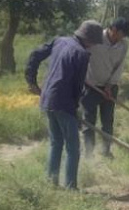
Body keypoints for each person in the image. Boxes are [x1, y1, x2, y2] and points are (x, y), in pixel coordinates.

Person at [25, 20, 104, 190]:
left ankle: (51, 183)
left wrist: (31, 80)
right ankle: (70, 187)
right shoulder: (82, 54)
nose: (93, 46)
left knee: (56, 142)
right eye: (94, 43)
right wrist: (75, 111)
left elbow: (35, 55)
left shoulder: (59, 41)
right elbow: (77, 87)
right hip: (63, 102)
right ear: (89, 39)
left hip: (47, 98)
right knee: (73, 148)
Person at [81, 18, 129, 158]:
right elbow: (82, 57)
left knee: (107, 121)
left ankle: (106, 151)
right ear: (114, 30)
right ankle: (89, 154)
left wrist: (109, 86)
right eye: (123, 33)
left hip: (110, 87)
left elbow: (119, 67)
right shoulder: (95, 38)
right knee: (88, 121)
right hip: (91, 86)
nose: (124, 37)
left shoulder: (123, 45)